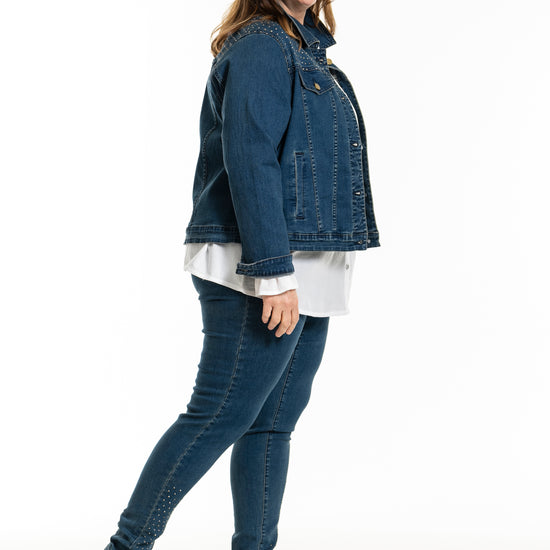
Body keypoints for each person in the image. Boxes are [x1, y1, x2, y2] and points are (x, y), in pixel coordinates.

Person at [104, 1, 381, 549]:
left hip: (307, 264)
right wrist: (273, 272)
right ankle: (127, 546)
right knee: (217, 414)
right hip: (259, 264)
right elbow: (250, 156)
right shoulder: (261, 43)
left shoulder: (308, 48)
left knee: (272, 424)